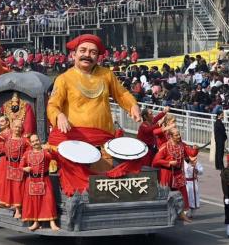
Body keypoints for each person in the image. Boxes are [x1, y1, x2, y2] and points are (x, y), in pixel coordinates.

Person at [47, 34, 141, 196]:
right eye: (83, 51)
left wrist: (132, 105)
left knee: (111, 177)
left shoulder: (106, 75)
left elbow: (122, 94)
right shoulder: (64, 79)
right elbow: (52, 105)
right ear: (73, 54)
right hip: (74, 140)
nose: (87, 55)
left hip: (102, 139)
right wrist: (59, 116)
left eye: (92, 52)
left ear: (98, 57)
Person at [152, 127, 198, 222]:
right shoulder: (165, 146)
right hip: (167, 174)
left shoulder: (182, 145)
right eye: (176, 135)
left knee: (182, 195)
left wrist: (195, 149)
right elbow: (155, 161)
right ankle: (163, 214)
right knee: (166, 195)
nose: (179, 136)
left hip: (178, 174)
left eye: (179, 134)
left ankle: (182, 214)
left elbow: (191, 153)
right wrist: (168, 163)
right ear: (170, 136)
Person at [0, 120, 30, 219]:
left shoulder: (25, 140)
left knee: (18, 188)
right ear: (12, 127)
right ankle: (5, 204)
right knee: (8, 186)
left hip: (19, 167)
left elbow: (30, 152)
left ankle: (18, 210)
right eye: (16, 127)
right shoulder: (7, 138)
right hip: (8, 166)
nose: (17, 129)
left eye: (19, 127)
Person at [20, 134, 59, 231]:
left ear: (39, 140)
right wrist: (25, 168)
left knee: (49, 201)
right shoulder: (27, 154)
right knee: (34, 202)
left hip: (44, 180)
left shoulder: (45, 153)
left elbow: (56, 158)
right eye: (33, 141)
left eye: (36, 140)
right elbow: (20, 167)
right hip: (31, 181)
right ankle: (36, 222)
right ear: (31, 143)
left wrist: (51, 150)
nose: (35, 143)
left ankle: (52, 222)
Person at [221, 155, 229, 237]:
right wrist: (226, 196)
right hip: (228, 195)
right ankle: (228, 230)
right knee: (228, 213)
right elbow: (224, 185)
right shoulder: (225, 171)